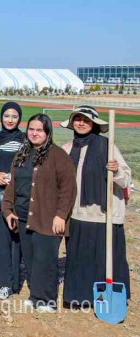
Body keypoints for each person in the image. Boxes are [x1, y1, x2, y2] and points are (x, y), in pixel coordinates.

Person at [2, 114, 77, 312]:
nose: (34, 133)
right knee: (31, 259)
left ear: (47, 132)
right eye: (31, 129)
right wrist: (8, 209)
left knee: (45, 259)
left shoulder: (58, 155)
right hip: (24, 215)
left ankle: (47, 300)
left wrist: (61, 215)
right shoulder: (22, 154)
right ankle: (36, 295)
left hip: (48, 218)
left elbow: (68, 188)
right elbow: (13, 185)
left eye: (39, 130)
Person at [61, 106, 132, 309]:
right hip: (77, 214)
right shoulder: (67, 149)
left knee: (107, 259)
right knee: (80, 260)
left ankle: (111, 298)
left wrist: (116, 170)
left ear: (94, 125)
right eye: (77, 119)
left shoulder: (107, 146)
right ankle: (80, 296)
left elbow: (126, 180)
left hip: (105, 215)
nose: (81, 123)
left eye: (86, 120)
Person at [0, 102, 24, 299]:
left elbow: (27, 166)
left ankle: (11, 283)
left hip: (17, 195)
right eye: (7, 116)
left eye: (14, 116)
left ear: (19, 119)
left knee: (14, 240)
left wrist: (14, 179)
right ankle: (0, 280)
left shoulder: (24, 140)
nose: (10, 120)